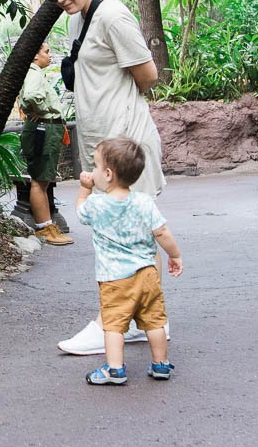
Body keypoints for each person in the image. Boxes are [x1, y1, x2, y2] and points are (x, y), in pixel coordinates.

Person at [37, 0, 168, 356]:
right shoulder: (77, 20)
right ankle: (141, 322)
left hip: (126, 145)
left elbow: (148, 76)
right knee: (113, 238)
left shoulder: (112, 16)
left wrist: (120, 132)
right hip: (99, 147)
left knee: (136, 237)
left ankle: (115, 322)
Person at [74, 137, 183, 385]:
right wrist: (174, 255)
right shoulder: (144, 201)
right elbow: (162, 232)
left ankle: (115, 369)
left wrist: (84, 188)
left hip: (114, 279)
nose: (92, 171)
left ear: (108, 174)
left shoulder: (97, 205)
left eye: (95, 166)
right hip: (147, 275)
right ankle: (161, 364)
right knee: (154, 321)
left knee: (113, 325)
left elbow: (80, 210)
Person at [19, 42, 73, 246]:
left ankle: (47, 225)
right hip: (43, 128)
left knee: (43, 178)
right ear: (35, 55)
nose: (50, 56)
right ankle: (44, 228)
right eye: (47, 52)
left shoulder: (34, 73)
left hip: (46, 128)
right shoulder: (34, 74)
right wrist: (42, 111)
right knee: (40, 180)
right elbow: (31, 96)